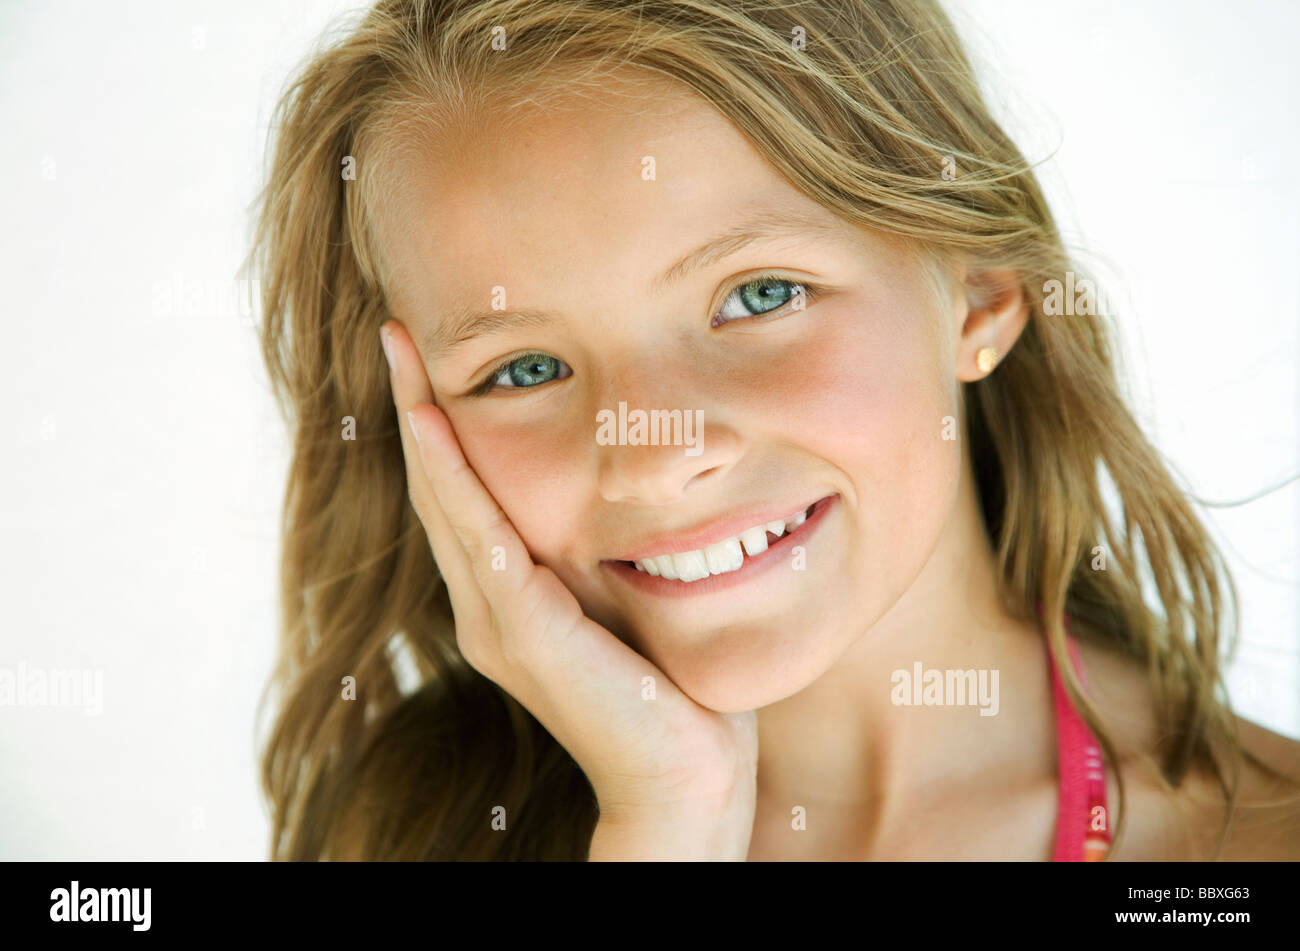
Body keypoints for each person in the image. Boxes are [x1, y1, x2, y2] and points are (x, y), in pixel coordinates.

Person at [249, 0, 1300, 860]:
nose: (657, 460)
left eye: (757, 297)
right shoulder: (402, 831)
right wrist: (667, 822)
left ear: (980, 292)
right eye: (523, 370)